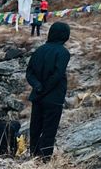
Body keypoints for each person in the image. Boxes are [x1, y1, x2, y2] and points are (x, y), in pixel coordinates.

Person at [26, 21, 72, 160]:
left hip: (37, 96)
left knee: (35, 128)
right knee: (49, 131)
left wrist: (38, 87)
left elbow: (29, 73)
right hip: (54, 98)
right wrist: (45, 89)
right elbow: (57, 75)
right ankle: (45, 160)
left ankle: (33, 156)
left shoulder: (39, 50)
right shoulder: (63, 52)